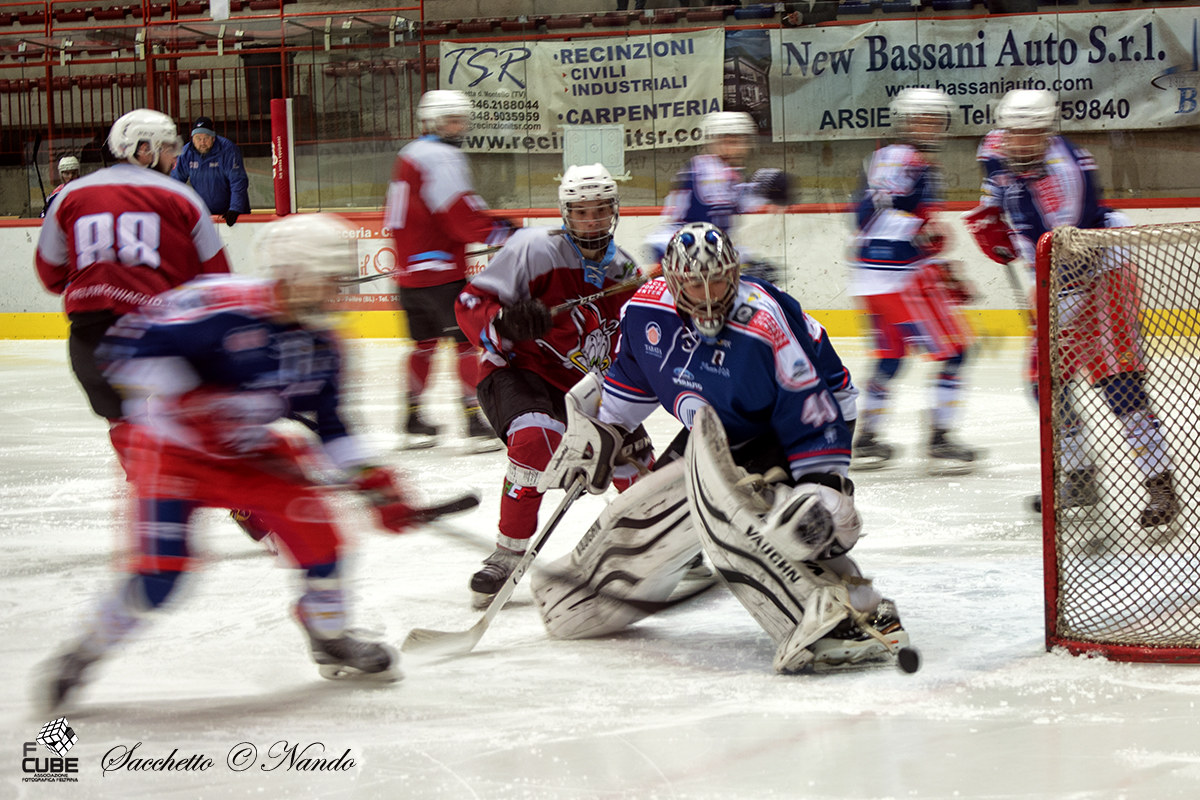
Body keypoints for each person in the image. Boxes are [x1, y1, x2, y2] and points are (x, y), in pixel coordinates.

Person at [43, 213, 478, 710]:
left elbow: (331, 426)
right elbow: (127, 348)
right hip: (173, 454)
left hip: (251, 455)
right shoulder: (218, 305)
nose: (339, 293)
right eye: (330, 279)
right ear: (293, 272)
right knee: (161, 576)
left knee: (322, 538)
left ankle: (328, 633)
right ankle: (85, 652)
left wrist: (377, 485)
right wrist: (185, 397)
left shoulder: (323, 345)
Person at [529, 222, 909, 673]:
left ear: (734, 272)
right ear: (673, 281)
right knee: (652, 509)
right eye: (693, 281)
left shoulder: (763, 323)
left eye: (718, 278)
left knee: (787, 519)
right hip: (723, 421)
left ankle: (857, 609)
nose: (708, 292)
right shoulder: (645, 315)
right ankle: (597, 588)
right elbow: (625, 393)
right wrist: (599, 437)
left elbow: (813, 406)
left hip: (803, 417)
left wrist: (820, 486)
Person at [965, 89, 1179, 526]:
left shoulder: (1065, 183)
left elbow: (1073, 263)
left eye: (1031, 136)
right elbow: (995, 185)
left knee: (1117, 379)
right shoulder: (994, 146)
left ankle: (1159, 483)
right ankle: (1079, 474)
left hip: (1099, 270)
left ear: (1047, 134)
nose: (1020, 144)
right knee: (1044, 385)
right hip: (1049, 271)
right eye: (1013, 134)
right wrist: (988, 217)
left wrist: (1049, 309)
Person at [455, 163, 645, 609]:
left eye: (600, 211)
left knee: (636, 467)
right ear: (566, 213)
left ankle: (654, 544)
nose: (592, 221)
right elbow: (468, 303)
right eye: (581, 212)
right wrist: (506, 321)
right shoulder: (534, 250)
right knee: (536, 441)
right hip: (521, 372)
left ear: (614, 212)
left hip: (584, 385)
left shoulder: (625, 270)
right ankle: (506, 553)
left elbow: (633, 348)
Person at [35, 108, 230, 459]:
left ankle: (150, 489)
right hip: (162, 333)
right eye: (169, 148)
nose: (176, 157)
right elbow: (218, 281)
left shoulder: (68, 196)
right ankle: (230, 493)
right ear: (143, 150)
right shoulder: (182, 198)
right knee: (187, 420)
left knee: (129, 431)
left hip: (91, 340)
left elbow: (50, 274)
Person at [847, 88, 977, 472]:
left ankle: (868, 437)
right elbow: (870, 220)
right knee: (956, 352)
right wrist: (926, 240)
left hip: (872, 280)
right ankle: (940, 438)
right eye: (922, 119)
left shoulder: (885, 157)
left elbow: (869, 218)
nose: (930, 127)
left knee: (890, 359)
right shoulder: (908, 161)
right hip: (899, 279)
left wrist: (929, 251)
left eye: (936, 120)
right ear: (904, 122)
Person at [384, 89, 514, 449]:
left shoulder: (408, 154)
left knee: (423, 344)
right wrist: (505, 230)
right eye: (452, 120)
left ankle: (412, 420)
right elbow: (460, 216)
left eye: (461, 119)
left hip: (410, 276)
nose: (459, 127)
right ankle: (473, 423)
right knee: (463, 344)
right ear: (434, 122)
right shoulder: (441, 157)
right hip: (442, 275)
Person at [645, 111, 790, 271]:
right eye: (729, 141)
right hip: (682, 250)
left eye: (740, 141)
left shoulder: (726, 173)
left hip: (700, 250)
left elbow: (738, 199)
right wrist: (768, 183)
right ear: (714, 141)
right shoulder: (704, 169)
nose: (737, 148)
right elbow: (726, 201)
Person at [170, 115, 250, 226]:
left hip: (231, 214)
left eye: (206, 138)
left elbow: (238, 181)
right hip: (205, 215)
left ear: (213, 138)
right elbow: (175, 183)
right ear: (192, 139)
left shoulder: (228, 150)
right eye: (198, 138)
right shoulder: (186, 153)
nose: (202, 142)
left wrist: (235, 209)